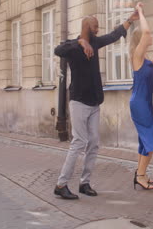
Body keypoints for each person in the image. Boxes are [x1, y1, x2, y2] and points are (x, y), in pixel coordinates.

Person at [53, 12, 138, 199]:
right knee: (79, 142)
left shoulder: (96, 43)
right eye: (95, 27)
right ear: (86, 28)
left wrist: (130, 20)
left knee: (93, 143)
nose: (98, 30)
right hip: (78, 101)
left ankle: (84, 183)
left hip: (94, 103)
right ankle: (61, 184)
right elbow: (58, 50)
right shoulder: (73, 48)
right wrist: (80, 42)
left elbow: (114, 35)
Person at [129, 2, 153, 190]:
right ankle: (140, 175)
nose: (151, 35)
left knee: (145, 140)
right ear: (141, 39)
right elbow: (146, 32)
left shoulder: (144, 59)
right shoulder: (137, 56)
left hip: (145, 103)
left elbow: (144, 75)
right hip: (140, 104)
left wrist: (152, 66)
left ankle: (141, 173)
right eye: (147, 35)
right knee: (151, 141)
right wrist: (140, 12)